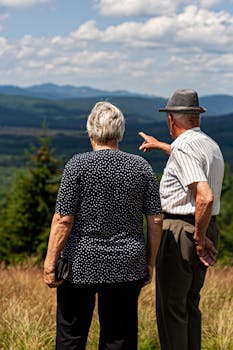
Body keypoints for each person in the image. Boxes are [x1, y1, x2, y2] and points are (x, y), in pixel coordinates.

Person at [44, 101, 163, 350]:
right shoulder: (141, 167)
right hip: (127, 264)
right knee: (118, 338)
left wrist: (49, 262)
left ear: (91, 133)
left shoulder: (77, 165)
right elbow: (155, 219)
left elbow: (63, 219)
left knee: (71, 336)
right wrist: (149, 262)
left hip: (79, 264)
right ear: (120, 133)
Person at [139, 89, 224, 350]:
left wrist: (197, 238)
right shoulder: (209, 145)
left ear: (171, 120)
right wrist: (162, 146)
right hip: (206, 225)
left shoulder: (183, 147)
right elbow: (189, 162)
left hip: (181, 230)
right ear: (196, 118)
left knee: (171, 309)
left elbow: (205, 196)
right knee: (189, 304)